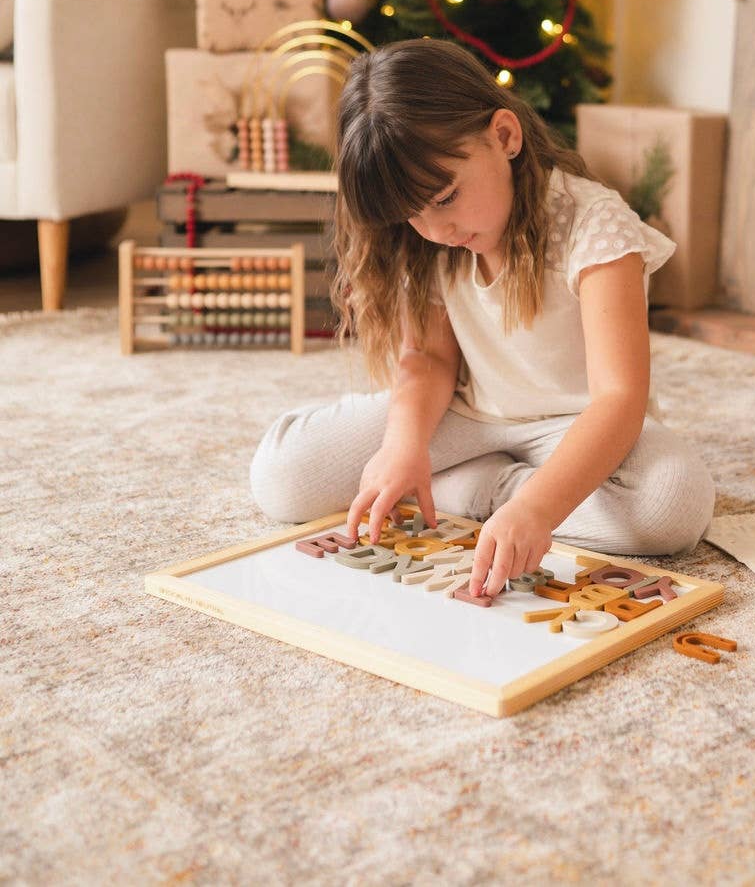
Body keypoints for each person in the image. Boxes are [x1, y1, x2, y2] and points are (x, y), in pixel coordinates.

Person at [249, 39, 715, 598]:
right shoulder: (431, 237)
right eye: (410, 216)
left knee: (672, 504)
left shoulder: (596, 225)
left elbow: (619, 399)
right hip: (468, 411)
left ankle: (478, 491)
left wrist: (535, 509)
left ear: (504, 136)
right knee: (281, 477)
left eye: (445, 197)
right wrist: (403, 445)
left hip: (576, 425)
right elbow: (427, 357)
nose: (434, 230)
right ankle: (467, 482)